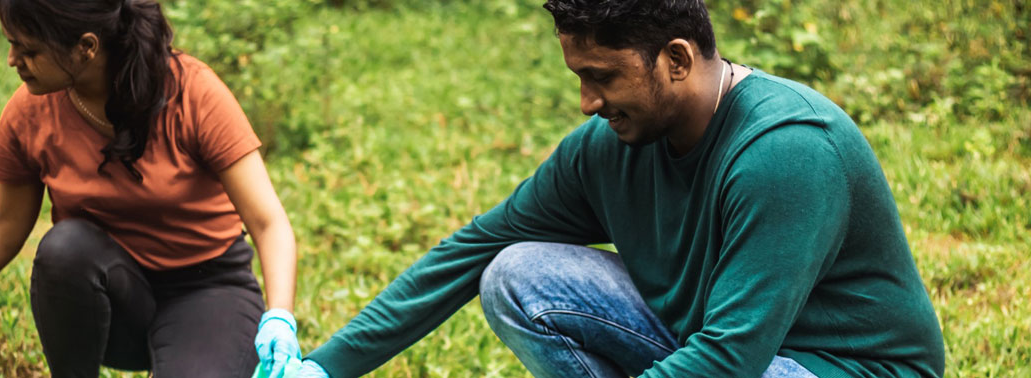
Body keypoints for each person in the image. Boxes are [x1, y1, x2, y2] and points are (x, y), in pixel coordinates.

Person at [292, 0, 946, 377]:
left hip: (830, 365)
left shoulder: (789, 152)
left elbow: (729, 359)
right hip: (718, 346)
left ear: (678, 59)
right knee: (516, 273)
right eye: (579, 75)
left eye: (602, 76)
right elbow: (473, 249)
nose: (585, 101)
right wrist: (323, 369)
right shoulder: (610, 148)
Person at [0, 0, 302, 377]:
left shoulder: (192, 92)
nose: (12, 60)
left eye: (27, 49)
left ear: (86, 48)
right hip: (113, 299)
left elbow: (268, 222)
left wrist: (280, 316)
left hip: (208, 291)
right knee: (64, 247)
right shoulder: (31, 112)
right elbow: (2, 229)